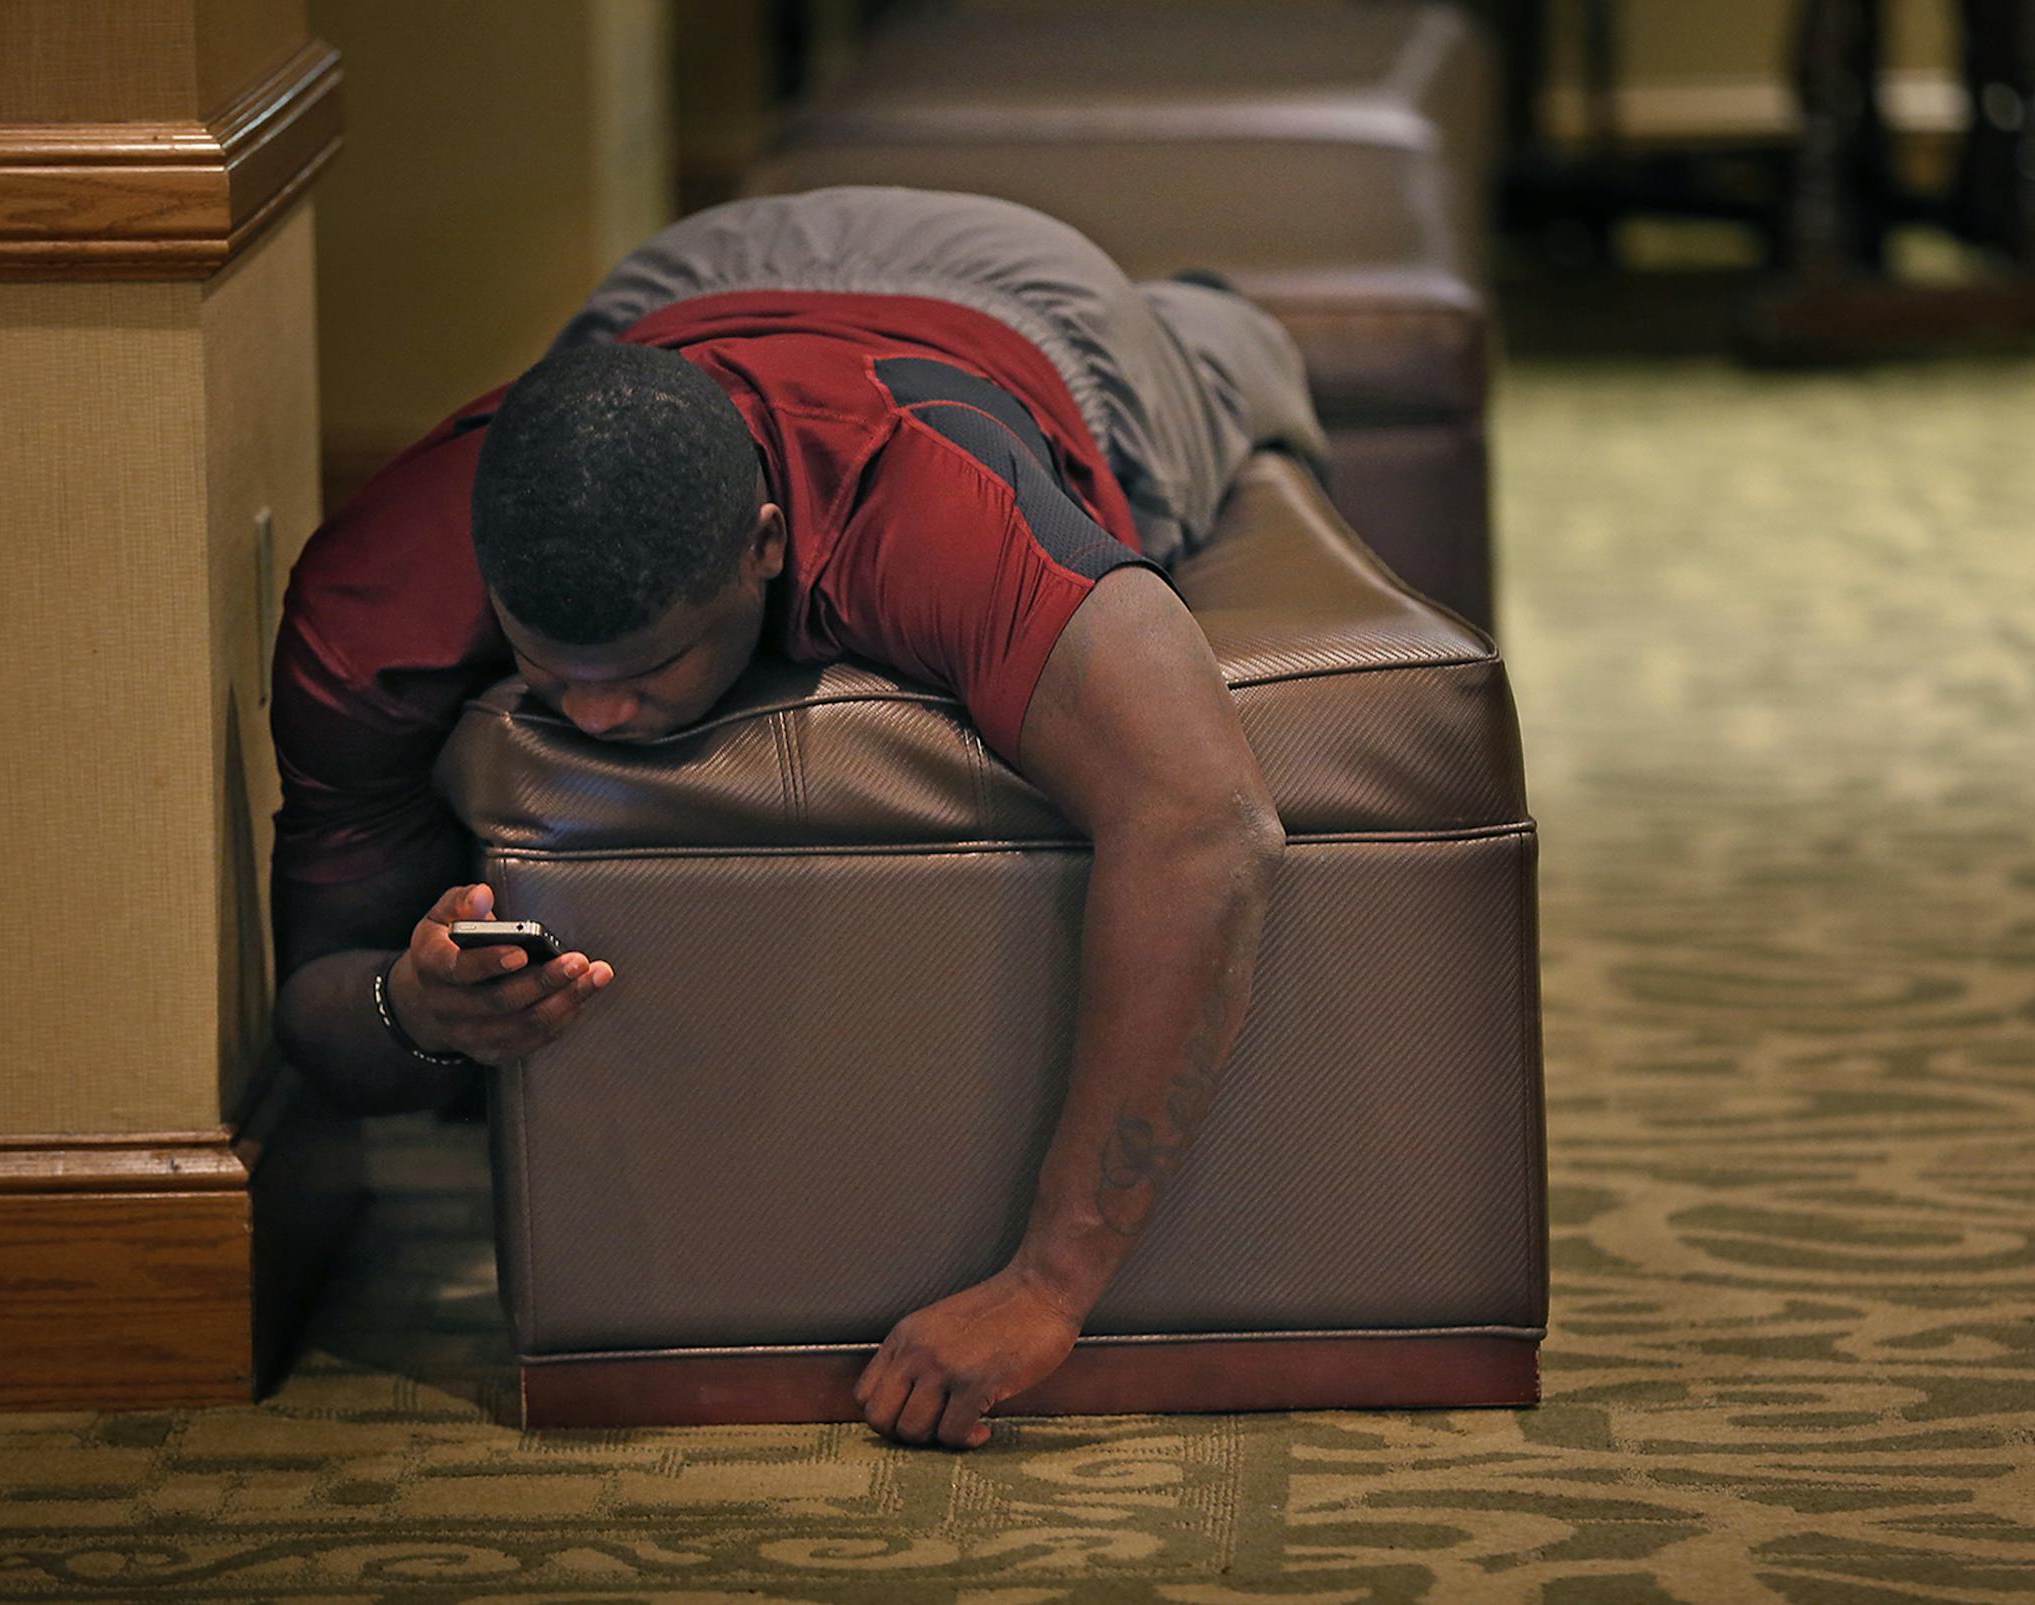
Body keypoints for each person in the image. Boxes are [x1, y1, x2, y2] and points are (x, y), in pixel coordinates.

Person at [270, 186, 1327, 1451]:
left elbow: (1207, 825)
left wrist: (1051, 1283)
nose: (597, 723)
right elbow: (317, 1009)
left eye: (648, 667)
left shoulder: (933, 505)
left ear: (767, 546)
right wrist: (412, 1004)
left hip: (1029, 304)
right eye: (554, 672)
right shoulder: (374, 588)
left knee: (1218, 366)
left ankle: (1216, 314)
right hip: (683, 287)